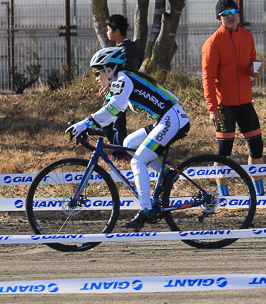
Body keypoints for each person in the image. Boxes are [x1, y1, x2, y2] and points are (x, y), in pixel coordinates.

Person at [66, 46, 190, 232]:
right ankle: (166, 173)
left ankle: (146, 208)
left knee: (139, 159)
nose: (96, 78)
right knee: (129, 144)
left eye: (97, 73)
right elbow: (112, 113)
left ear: (109, 69)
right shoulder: (121, 81)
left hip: (171, 120)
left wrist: (85, 123)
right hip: (166, 119)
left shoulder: (124, 79)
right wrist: (89, 126)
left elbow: (113, 109)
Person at [201, 0, 266, 197]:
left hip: (245, 102)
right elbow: (208, 78)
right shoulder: (212, 43)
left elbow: (251, 63)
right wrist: (212, 109)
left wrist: (254, 71)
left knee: (256, 146)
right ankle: (224, 194)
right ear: (219, 19)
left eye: (233, 12)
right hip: (224, 106)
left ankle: (259, 192)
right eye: (225, 14)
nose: (231, 17)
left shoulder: (247, 36)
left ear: (238, 15)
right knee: (224, 151)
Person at [104, 14, 142, 150]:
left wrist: (114, 85)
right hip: (114, 90)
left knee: (117, 122)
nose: (107, 32)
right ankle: (117, 148)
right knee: (107, 121)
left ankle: (120, 151)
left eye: (108, 29)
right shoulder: (120, 49)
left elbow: (126, 71)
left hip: (120, 92)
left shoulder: (125, 50)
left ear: (117, 31)